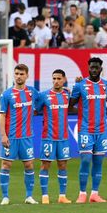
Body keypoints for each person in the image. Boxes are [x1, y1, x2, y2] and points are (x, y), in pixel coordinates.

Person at [69, 58, 107, 203]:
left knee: (98, 162)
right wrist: (82, 111)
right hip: (85, 129)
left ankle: (94, 194)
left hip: (102, 130)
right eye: (91, 67)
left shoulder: (106, 85)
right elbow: (70, 106)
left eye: (96, 68)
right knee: (86, 160)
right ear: (88, 68)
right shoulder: (80, 85)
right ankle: (82, 193)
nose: (94, 70)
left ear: (101, 69)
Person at [0, 64, 39, 205]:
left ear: (27, 76)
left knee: (29, 165)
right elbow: (2, 116)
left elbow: (46, 98)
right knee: (6, 165)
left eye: (21, 74)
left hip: (26, 137)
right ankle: (5, 196)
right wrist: (3, 135)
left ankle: (29, 196)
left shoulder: (33, 93)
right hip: (11, 137)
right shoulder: (6, 95)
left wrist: (64, 90)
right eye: (16, 73)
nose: (19, 76)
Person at [35, 69, 72, 204]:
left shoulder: (68, 94)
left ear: (64, 79)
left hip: (63, 137)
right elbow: (35, 109)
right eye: (54, 78)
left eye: (58, 78)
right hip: (48, 137)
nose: (56, 81)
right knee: (45, 165)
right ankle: (45, 196)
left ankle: (62, 196)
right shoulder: (44, 95)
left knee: (62, 165)